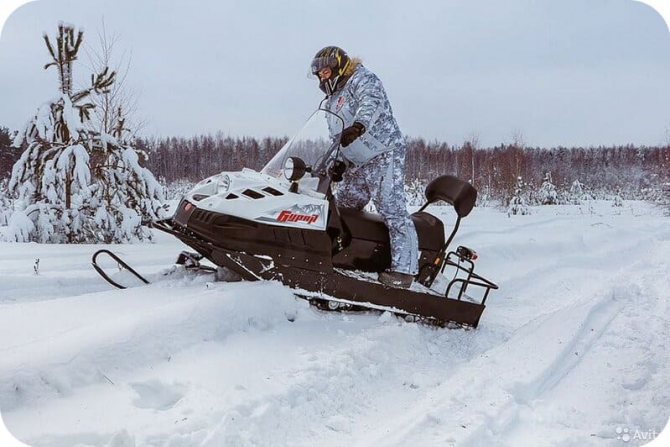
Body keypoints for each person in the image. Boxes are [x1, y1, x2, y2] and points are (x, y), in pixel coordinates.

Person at [310, 45, 419, 288]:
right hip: (358, 161)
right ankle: (351, 255)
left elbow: (371, 103)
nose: (322, 78)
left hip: (383, 152)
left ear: (338, 66)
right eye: (319, 75)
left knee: (391, 206)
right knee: (344, 205)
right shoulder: (331, 101)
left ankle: (404, 271)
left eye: (325, 72)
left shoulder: (362, 78)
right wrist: (338, 162)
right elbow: (337, 136)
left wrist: (359, 125)